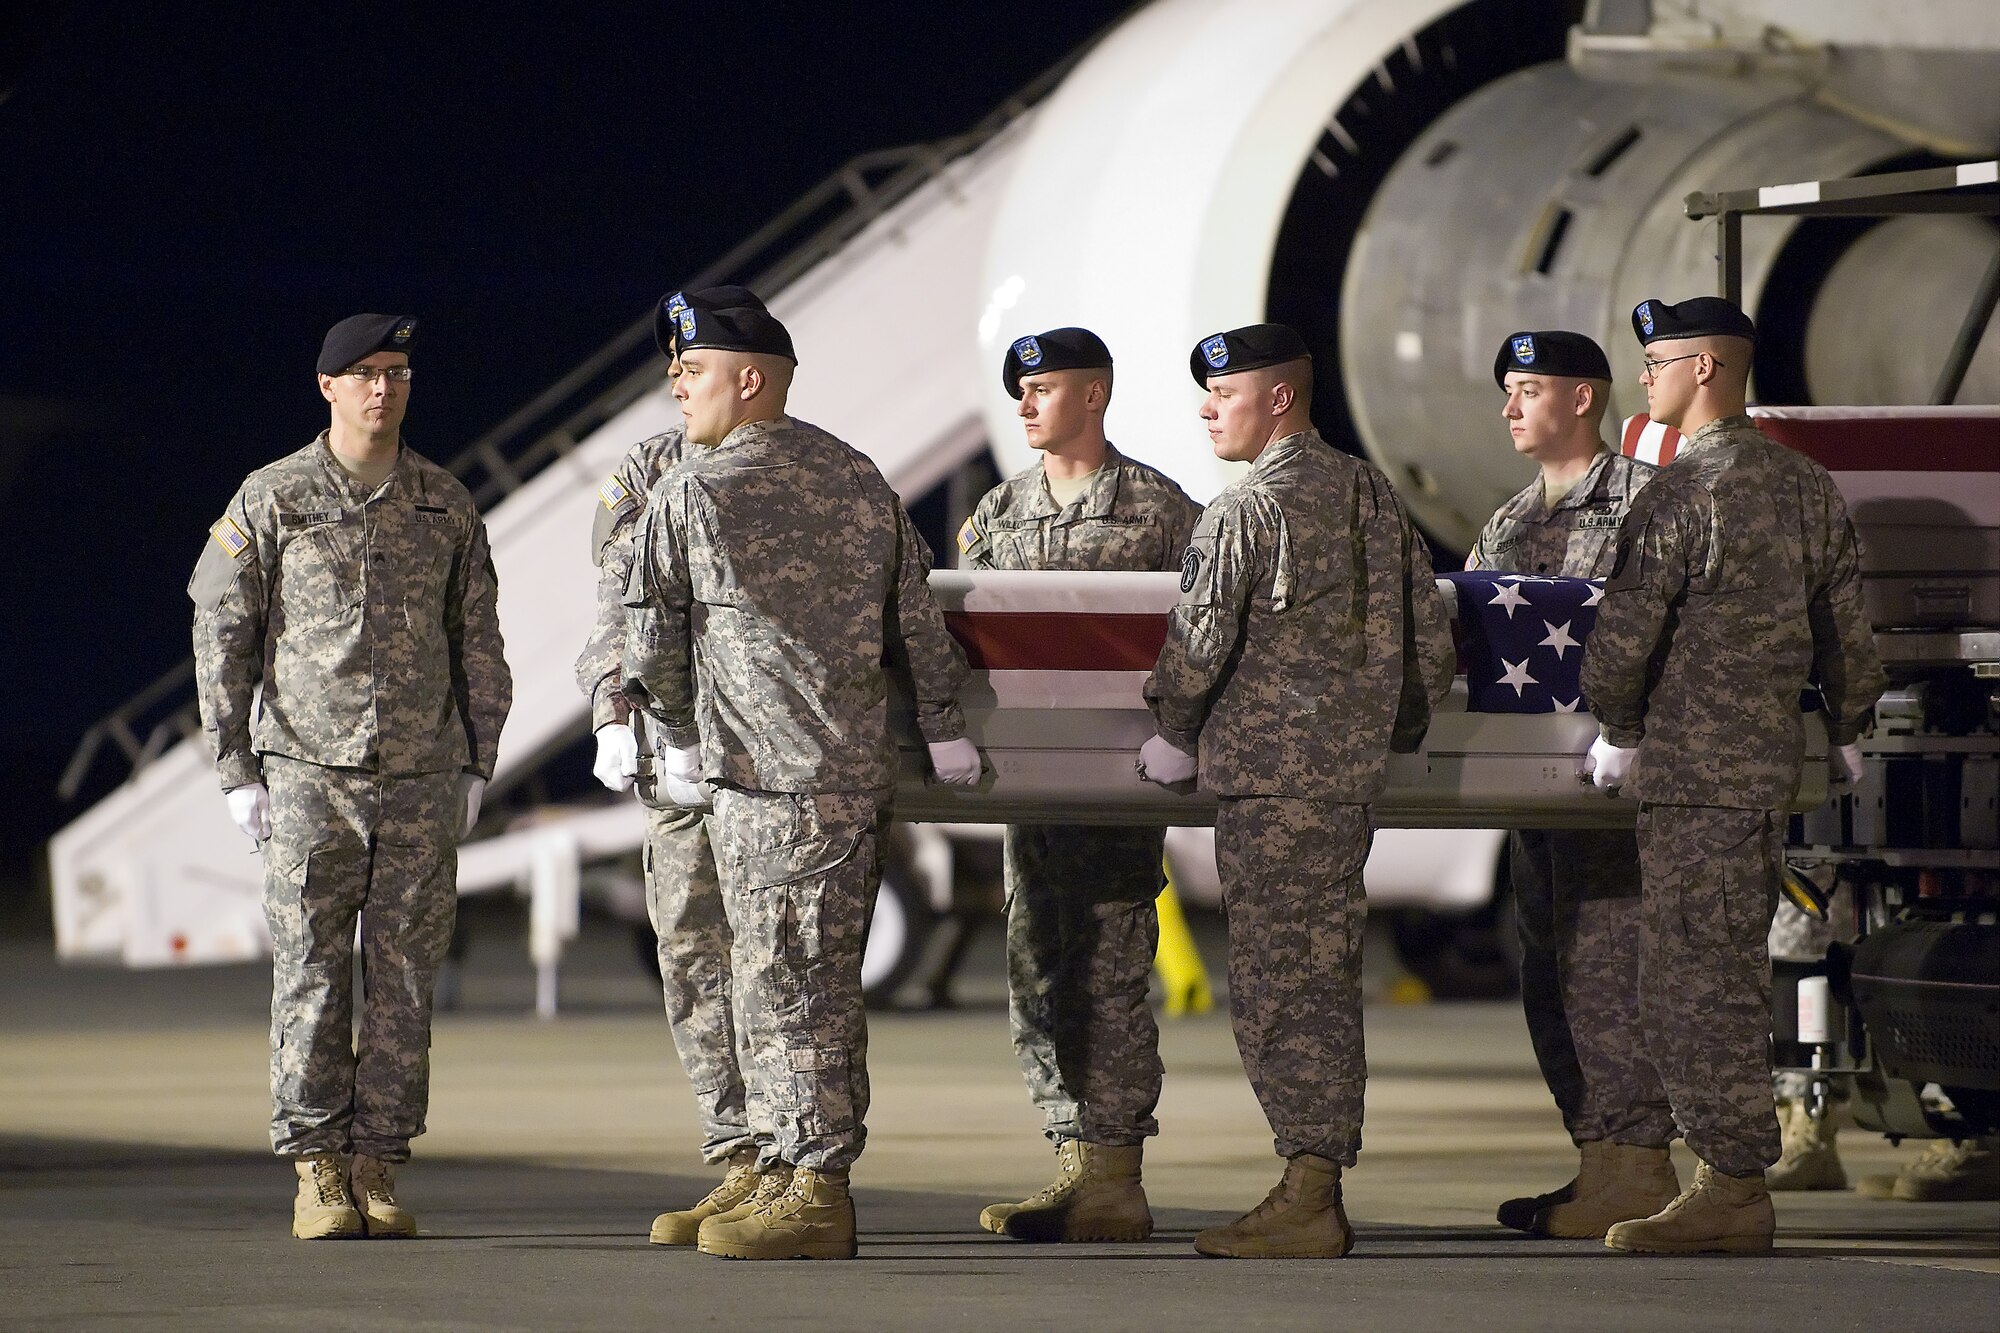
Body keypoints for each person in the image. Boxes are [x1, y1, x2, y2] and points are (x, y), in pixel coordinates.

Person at [622, 301, 979, 1260]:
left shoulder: (693, 495)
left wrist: (677, 726)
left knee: (791, 985)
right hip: (840, 776)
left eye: (692, 366)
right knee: (789, 980)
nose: (675, 381)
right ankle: (780, 1167)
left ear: (751, 379)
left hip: (763, 781)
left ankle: (816, 1190)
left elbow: (649, 634)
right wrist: (940, 728)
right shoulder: (856, 477)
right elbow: (918, 621)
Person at [189, 313, 511, 1239]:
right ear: (327, 386)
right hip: (306, 778)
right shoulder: (272, 498)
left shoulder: (445, 504)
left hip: (418, 778)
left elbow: (477, 640)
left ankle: (378, 1165)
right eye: (366, 373)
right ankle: (317, 1169)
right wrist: (234, 768)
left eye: (399, 372)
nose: (384, 389)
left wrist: (477, 756)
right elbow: (222, 633)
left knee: (407, 980)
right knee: (313, 976)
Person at [1140, 323, 1454, 1258]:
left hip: (1271, 785)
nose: (1206, 409)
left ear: (1278, 399)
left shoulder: (1244, 511)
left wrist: (1172, 732)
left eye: (1223, 394)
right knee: (1321, 974)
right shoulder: (1370, 494)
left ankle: (1310, 1188)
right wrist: (1385, 735)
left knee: (1284, 989)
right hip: (1345, 781)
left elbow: (1196, 645)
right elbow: (1428, 638)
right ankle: (1314, 1177)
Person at [1580, 295, 1884, 1254]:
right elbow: (1848, 628)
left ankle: (1733, 1182)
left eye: (1658, 359)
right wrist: (1848, 723)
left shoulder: (1679, 494)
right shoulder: (1805, 488)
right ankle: (1732, 1172)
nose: (1645, 377)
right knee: (1733, 966)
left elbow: (1622, 638)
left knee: (1691, 980)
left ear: (1704, 368)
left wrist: (1618, 725)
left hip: (1689, 775)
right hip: (1760, 775)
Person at [960, 327, 1201, 1243]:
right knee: (1035, 965)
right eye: (1019, 387)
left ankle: (1113, 1171)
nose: (1024, 402)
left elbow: (1199, 629)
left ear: (1094, 394)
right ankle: (1072, 1155)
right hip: (1031, 791)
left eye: (1044, 387)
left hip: (1114, 785)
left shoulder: (1157, 509)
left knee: (1107, 966)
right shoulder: (998, 511)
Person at [575, 285, 801, 1247]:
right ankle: (740, 1157)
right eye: (673, 361)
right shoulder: (650, 469)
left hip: (767, 757)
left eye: (691, 360)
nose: (675, 375)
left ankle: (790, 1160)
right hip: (676, 767)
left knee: (778, 964)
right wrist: (613, 712)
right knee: (693, 958)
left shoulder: (804, 471)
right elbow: (619, 612)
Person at [1469, 330, 1676, 1239]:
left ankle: (1639, 1163)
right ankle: (1601, 1158)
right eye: (1508, 391)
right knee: (1550, 974)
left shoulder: (1647, 504)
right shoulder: (1510, 520)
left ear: (1584, 398)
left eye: (1529, 388)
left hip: (1615, 791)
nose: (1511, 406)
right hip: (1536, 799)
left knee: (1609, 976)